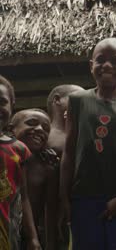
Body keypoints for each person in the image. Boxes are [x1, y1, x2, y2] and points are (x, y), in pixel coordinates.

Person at [58, 37, 116, 250]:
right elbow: (70, 151)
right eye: (100, 60)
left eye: (115, 61)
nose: (107, 65)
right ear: (91, 66)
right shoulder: (77, 101)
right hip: (84, 197)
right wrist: (64, 197)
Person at [0, 76, 40, 249]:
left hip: (8, 237)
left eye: (2, 101)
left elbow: (23, 197)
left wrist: (32, 237)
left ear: (12, 105)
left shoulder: (19, 150)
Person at [10, 109, 59, 250]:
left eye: (46, 128)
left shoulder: (47, 166)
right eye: (31, 123)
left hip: (29, 239)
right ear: (10, 129)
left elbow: (50, 211)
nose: (39, 129)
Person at [47, 84, 84, 157]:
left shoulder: (88, 131)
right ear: (57, 100)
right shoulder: (42, 136)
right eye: (79, 98)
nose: (85, 102)